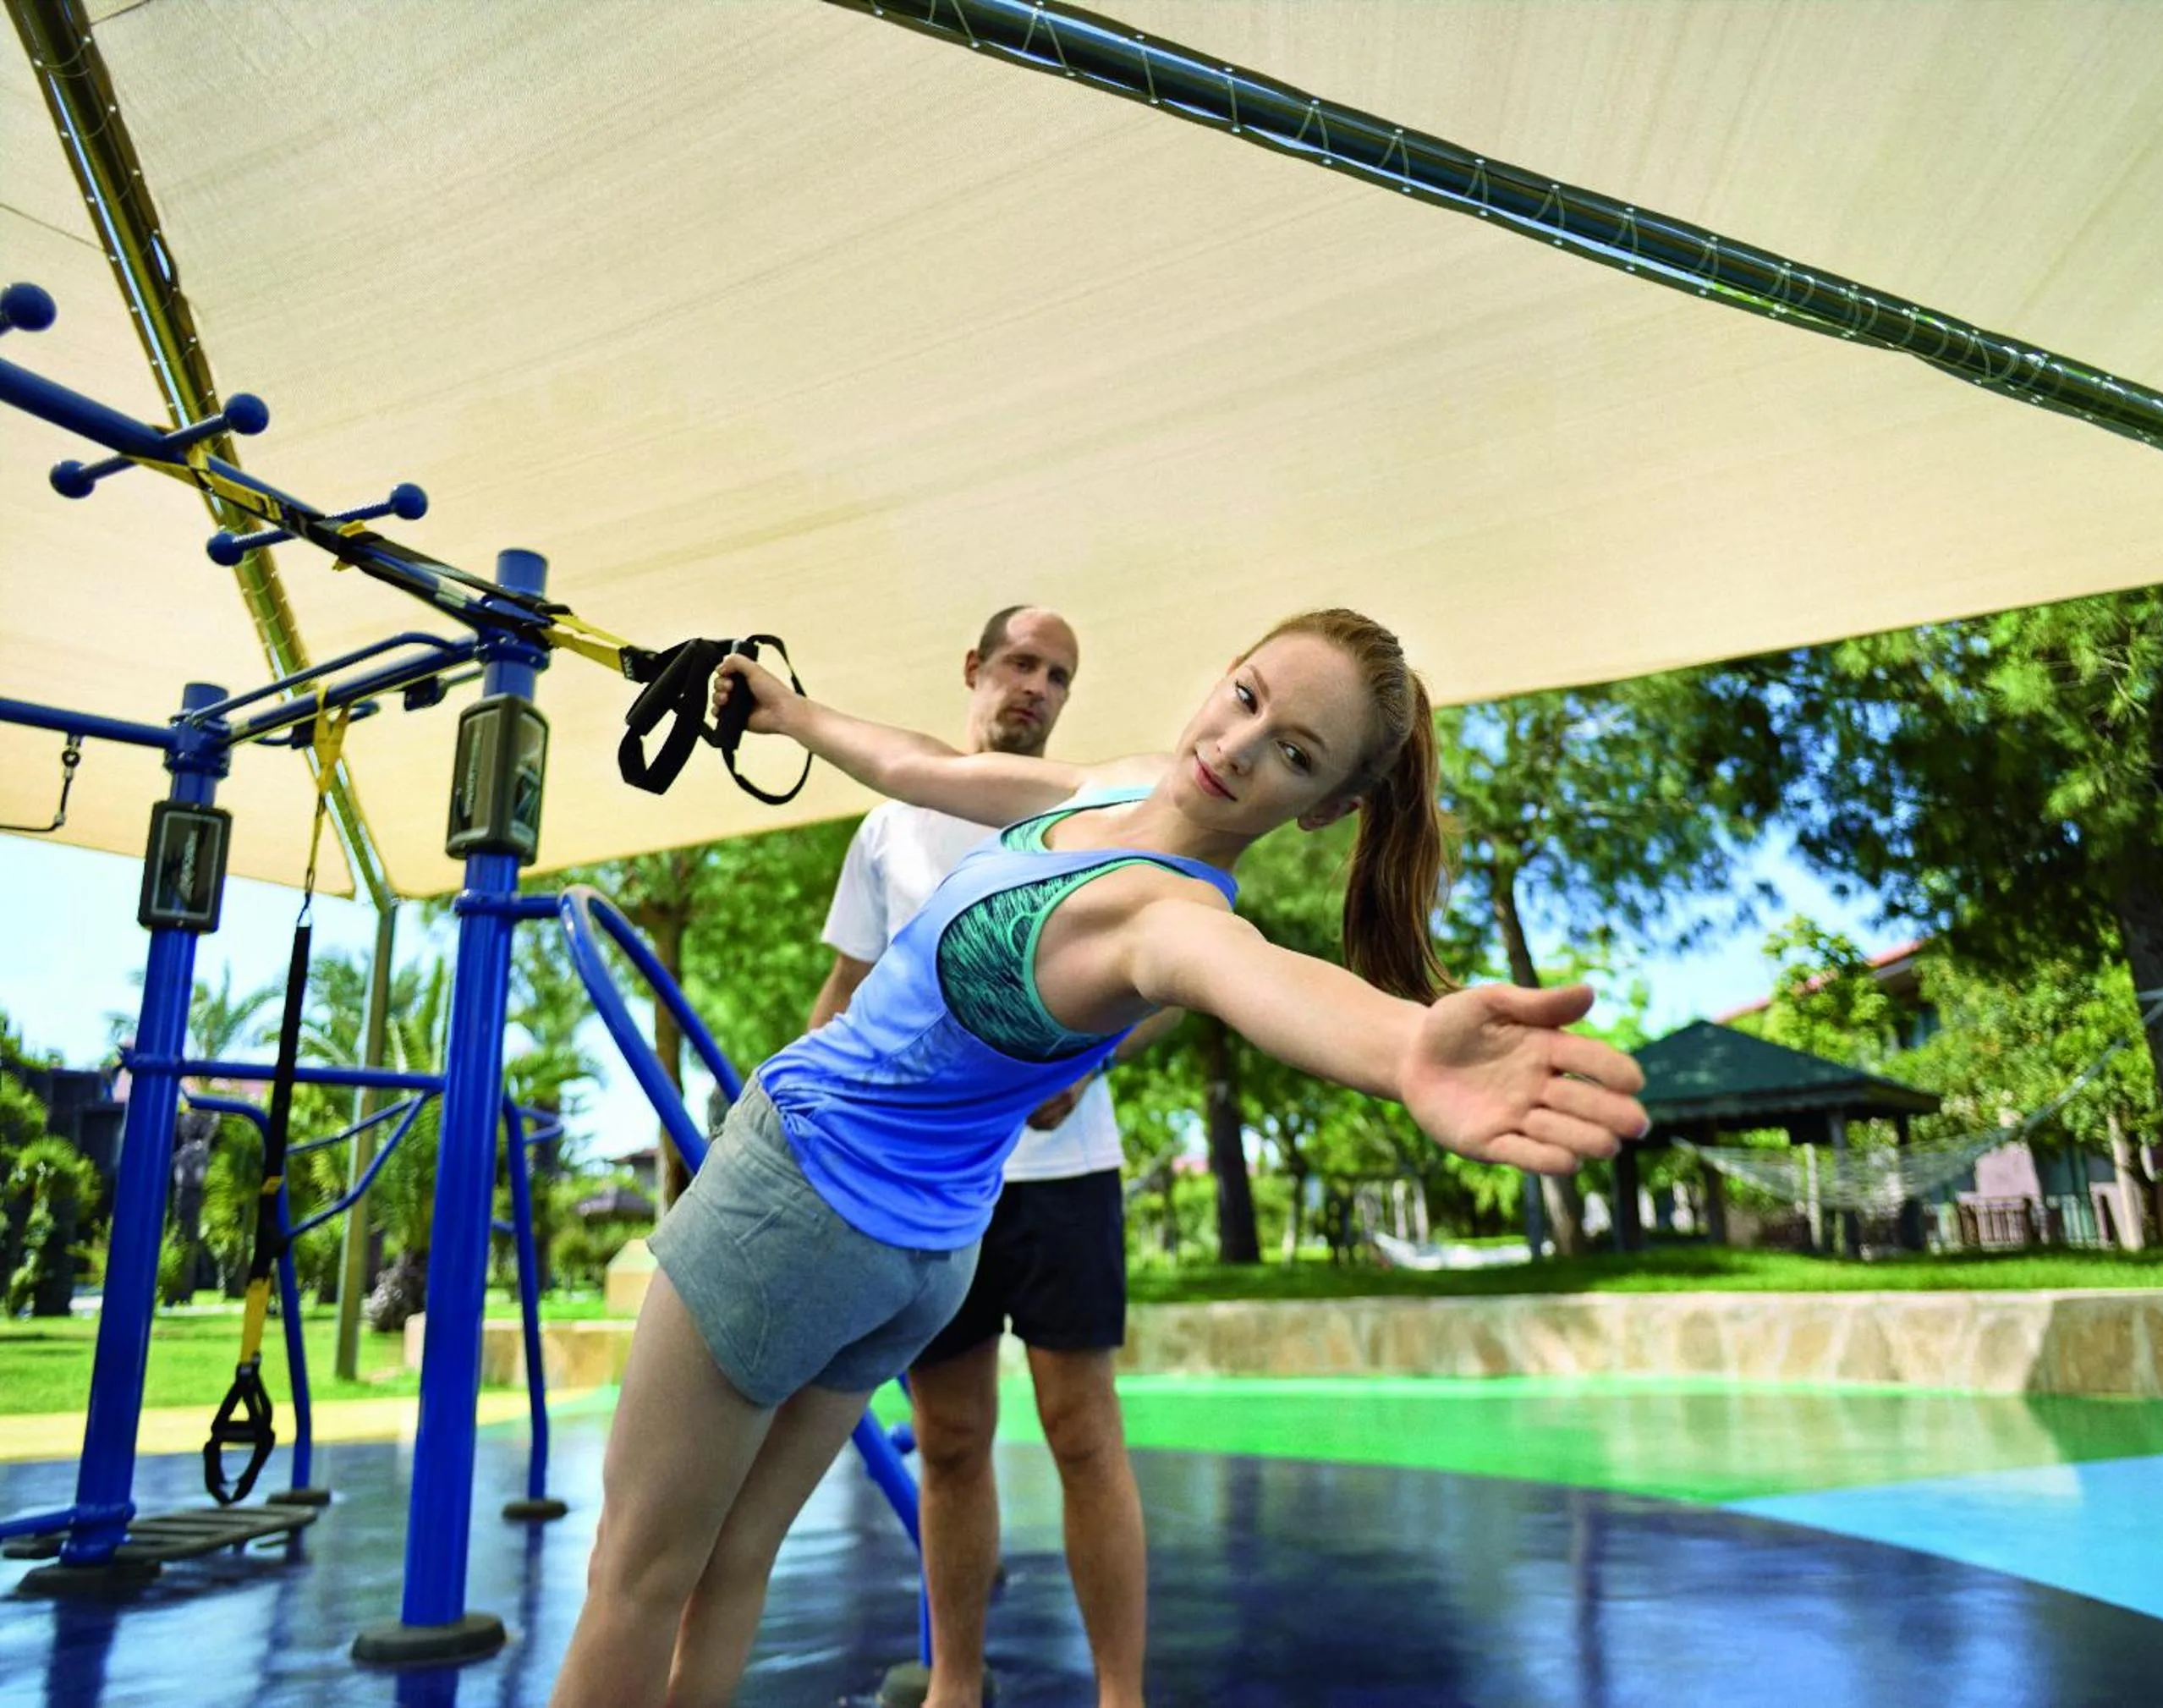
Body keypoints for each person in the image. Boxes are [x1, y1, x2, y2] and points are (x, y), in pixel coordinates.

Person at [550, 607, 1650, 1708]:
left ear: (1326, 809)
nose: (1236, 746)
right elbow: (934, 770)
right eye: (1248, 695)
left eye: (1293, 754)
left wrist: (1406, 1045)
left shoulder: (1163, 918)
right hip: (919, 1248)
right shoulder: (1118, 785)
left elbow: (1255, 978)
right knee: (725, 1561)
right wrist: (791, 714)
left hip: (798, 1206)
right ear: (1224, 673)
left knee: (632, 1574)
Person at [806, 604, 1174, 1708]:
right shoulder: (892, 825)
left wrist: (1088, 1059)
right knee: (951, 1438)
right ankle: (954, 1684)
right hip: (932, 1182)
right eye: (1019, 662)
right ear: (972, 668)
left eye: (1057, 673)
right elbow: (843, 999)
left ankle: (1121, 1693)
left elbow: (1168, 974)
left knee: (1081, 1432)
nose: (1036, 686)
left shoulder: (1100, 816)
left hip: (1065, 1177)